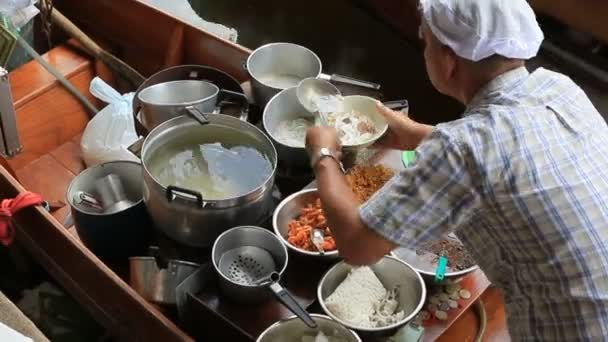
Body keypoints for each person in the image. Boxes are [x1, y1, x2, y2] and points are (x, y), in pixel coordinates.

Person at [305, 0, 608, 340]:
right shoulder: (560, 88)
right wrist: (421, 136)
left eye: (426, 43)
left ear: (448, 61)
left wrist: (324, 151)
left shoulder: (463, 146)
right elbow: (512, 150)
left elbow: (357, 246)